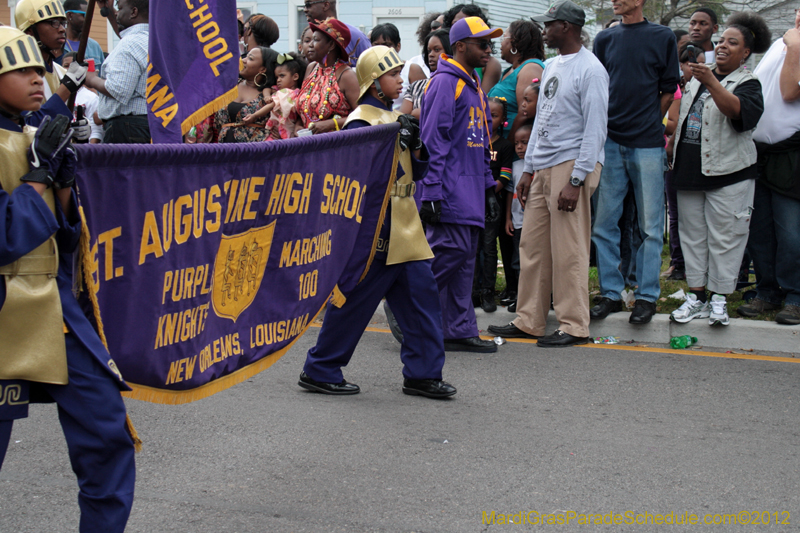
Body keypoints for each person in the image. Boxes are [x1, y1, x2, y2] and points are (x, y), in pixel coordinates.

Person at [0, 26, 135, 532]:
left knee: (107, 431)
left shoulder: (35, 134)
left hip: (53, 310)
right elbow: (6, 236)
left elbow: (68, 237)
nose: (39, 79)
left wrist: (63, 185)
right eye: (22, 70)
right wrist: (39, 178)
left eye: (40, 68)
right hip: (4, 312)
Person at [299, 46, 456, 399]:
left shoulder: (392, 117)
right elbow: (357, 178)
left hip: (406, 220)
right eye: (393, 75)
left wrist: (416, 147)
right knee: (355, 299)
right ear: (373, 81)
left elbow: (414, 171)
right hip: (377, 224)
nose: (401, 81)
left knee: (422, 298)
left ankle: (423, 373)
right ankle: (320, 368)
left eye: (400, 73)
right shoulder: (360, 120)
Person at [488, 0, 608, 347]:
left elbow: (596, 129)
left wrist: (576, 180)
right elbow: (541, 121)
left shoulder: (591, 70)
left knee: (568, 247)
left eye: (550, 23)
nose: (544, 29)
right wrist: (530, 171)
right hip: (544, 166)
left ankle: (574, 325)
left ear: (567, 27)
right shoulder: (553, 65)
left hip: (573, 164)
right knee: (533, 244)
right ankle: (529, 319)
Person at [667, 12, 769, 326]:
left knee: (727, 237)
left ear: (746, 53)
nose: (723, 46)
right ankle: (696, 296)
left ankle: (719, 299)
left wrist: (710, 81)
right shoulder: (698, 74)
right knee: (693, 237)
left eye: (732, 43)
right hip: (689, 171)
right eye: (722, 40)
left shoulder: (748, 83)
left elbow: (739, 114)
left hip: (730, 174)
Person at [590, 0, 679, 325]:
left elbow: (670, 89)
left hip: (648, 145)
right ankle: (611, 294)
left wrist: (649, 121)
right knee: (604, 224)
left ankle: (646, 297)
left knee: (651, 227)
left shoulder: (662, 36)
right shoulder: (604, 39)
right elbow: (597, 88)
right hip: (610, 142)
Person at [418, 16, 502, 353]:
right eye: (482, 43)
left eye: (490, 43)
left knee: (465, 262)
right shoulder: (443, 83)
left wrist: (488, 187)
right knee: (446, 257)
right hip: (449, 191)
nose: (488, 49)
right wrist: (432, 192)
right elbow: (433, 141)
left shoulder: (474, 84)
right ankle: (412, 317)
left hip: (470, 193)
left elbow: (481, 142)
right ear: (461, 46)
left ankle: (458, 329)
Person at [738, 8, 800, 325]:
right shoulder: (781, 44)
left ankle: (795, 296)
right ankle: (767, 291)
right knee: (760, 230)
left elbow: (790, 92)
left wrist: (796, 45)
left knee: (791, 233)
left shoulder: (792, 43)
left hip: (792, 157)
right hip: (759, 153)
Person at [83, 0, 149, 143]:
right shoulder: (155, 40)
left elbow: (118, 89)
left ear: (134, 12)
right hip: (151, 124)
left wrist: (91, 79)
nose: (117, 13)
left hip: (128, 128)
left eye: (119, 8)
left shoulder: (130, 43)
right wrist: (108, 9)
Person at [473, 96, 514, 313]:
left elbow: (505, 177)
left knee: (489, 249)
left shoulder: (505, 146)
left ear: (503, 120)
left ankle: (488, 292)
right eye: (485, 115)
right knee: (472, 248)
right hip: (471, 203)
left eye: (494, 116)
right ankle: (473, 292)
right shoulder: (473, 142)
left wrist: (486, 192)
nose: (489, 120)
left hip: (492, 206)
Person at [297, 18, 359, 134]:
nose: (310, 45)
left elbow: (362, 114)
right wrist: (298, 125)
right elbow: (303, 107)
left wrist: (331, 124)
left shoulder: (346, 75)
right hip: (308, 145)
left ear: (331, 45)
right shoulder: (311, 68)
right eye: (309, 40)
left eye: (316, 40)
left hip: (336, 146)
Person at [488, 19, 545, 140]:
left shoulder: (530, 68)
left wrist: (506, 147)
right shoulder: (512, 69)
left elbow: (525, 114)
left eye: (504, 38)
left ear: (515, 44)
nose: (501, 44)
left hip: (514, 151)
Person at [209, 47, 276, 143]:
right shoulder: (229, 86)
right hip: (223, 152)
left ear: (262, 69)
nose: (242, 60)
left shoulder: (271, 95)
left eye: (250, 58)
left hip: (254, 154)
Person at [503, 122, 533, 313]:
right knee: (517, 261)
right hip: (518, 223)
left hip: (535, 224)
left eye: (525, 142)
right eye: (517, 143)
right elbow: (509, 194)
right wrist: (508, 218)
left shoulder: (538, 167)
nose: (520, 147)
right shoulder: (514, 167)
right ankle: (519, 296)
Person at [442, 4, 502, 94]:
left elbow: (481, 103)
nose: (462, 27)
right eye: (457, 24)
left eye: (470, 22)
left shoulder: (489, 64)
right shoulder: (443, 66)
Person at [398, 29, 451, 119]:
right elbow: (403, 118)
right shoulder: (416, 86)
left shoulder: (457, 83)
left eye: (437, 50)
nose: (431, 54)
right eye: (429, 51)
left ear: (450, 50)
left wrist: (418, 113)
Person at [302, 0, 369, 67]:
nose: (305, 10)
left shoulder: (355, 35)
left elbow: (371, 70)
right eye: (308, 40)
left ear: (326, 5)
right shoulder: (312, 67)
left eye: (308, 5)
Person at [266, 52, 307, 140]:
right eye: (277, 77)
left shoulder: (295, 94)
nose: (278, 80)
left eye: (282, 76)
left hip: (290, 133)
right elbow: (267, 89)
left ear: (295, 76)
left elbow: (272, 105)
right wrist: (267, 96)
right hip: (279, 132)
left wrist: (254, 116)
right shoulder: (280, 91)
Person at [57, 0, 105, 70]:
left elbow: (102, 76)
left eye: (90, 17)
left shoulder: (94, 46)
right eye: (85, 15)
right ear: (69, 16)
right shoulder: (57, 45)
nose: (88, 20)